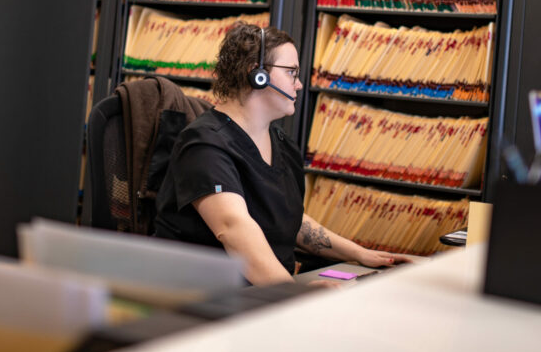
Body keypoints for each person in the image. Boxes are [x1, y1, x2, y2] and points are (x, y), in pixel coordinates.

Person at [154, 23, 410, 285]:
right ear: (256, 74)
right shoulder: (203, 144)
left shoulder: (281, 144)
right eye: (291, 73)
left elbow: (288, 219)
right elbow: (233, 228)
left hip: (267, 297)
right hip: (210, 303)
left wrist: (358, 253)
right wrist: (293, 297)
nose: (299, 85)